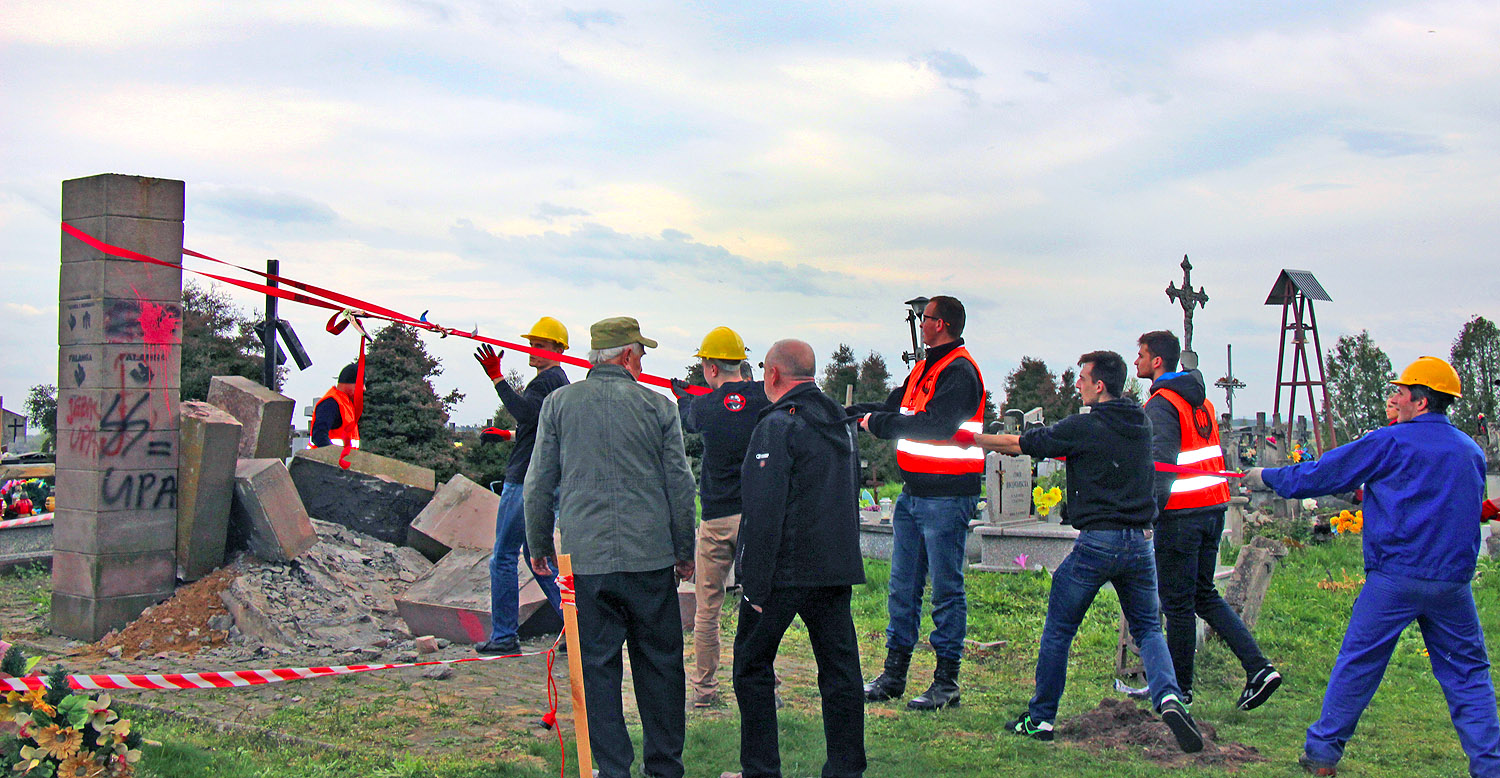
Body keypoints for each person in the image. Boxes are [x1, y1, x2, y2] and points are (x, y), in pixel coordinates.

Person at [1245, 356, 1499, 777]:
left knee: (1359, 664)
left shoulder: (1391, 441)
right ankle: (1489, 767)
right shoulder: (1469, 451)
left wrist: (1267, 477)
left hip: (1395, 578)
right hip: (1452, 584)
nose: (1393, 399)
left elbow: (1324, 473)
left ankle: (1323, 756)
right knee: (1469, 675)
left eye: (1400, 392)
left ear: (1420, 402)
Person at [970, 350, 1202, 753]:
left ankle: (1040, 718)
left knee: (1059, 630)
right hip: (1140, 542)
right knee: (1148, 628)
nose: (1077, 384)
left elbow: (1019, 442)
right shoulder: (1142, 423)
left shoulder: (1083, 426)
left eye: (1083, 378)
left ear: (1100, 385)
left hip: (1098, 542)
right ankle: (1169, 695)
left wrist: (972, 439)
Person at [525, 316, 696, 778]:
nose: (643, 362)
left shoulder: (559, 404)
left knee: (596, 672)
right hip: (650, 560)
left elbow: (539, 480)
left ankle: (612, 769)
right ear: (626, 355)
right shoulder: (658, 407)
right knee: (661, 668)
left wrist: (538, 541)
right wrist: (685, 550)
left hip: (586, 562)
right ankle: (664, 769)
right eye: (641, 353)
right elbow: (680, 484)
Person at [726, 339, 866, 778]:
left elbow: (764, 507)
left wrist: (755, 582)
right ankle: (846, 768)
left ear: (772, 375)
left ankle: (761, 769)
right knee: (840, 674)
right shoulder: (837, 422)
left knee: (751, 667)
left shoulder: (777, 425)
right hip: (833, 565)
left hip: (785, 569)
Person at [851, 295, 985, 711]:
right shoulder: (926, 368)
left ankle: (946, 682)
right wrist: (846, 413)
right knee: (902, 588)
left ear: (940, 324)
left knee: (945, 591)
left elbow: (935, 426)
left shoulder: (960, 372)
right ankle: (894, 675)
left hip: (947, 495)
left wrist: (879, 425)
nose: (919, 323)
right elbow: (893, 407)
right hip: (913, 495)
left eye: (924, 318)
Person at [1135, 330, 1280, 709]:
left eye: (1141, 355)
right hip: (1213, 508)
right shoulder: (1203, 403)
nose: (1136, 361)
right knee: (1203, 596)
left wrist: (1147, 513)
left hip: (1181, 515)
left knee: (1178, 605)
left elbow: (1162, 466)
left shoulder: (1162, 405)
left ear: (1157, 362)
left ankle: (1178, 692)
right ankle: (1259, 668)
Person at [669, 326, 772, 708]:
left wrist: (681, 396)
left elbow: (688, 418)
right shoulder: (762, 396)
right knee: (761, 604)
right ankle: (767, 685)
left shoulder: (705, 406)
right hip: (754, 515)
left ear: (711, 368)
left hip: (715, 518)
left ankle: (704, 690)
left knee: (707, 609)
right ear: (741, 363)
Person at [471, 317, 571, 655]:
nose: (533, 349)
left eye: (541, 345)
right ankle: (575, 627)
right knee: (537, 558)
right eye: (533, 343)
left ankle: (503, 637)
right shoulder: (561, 383)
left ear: (559, 349)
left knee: (502, 557)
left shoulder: (547, 380)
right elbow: (540, 430)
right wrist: (508, 435)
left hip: (525, 481)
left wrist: (497, 378)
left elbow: (526, 414)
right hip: (542, 479)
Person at [310, 362, 363, 449]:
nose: (364, 388)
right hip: (326, 460)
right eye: (361, 384)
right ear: (348, 383)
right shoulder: (331, 402)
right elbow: (319, 436)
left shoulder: (344, 403)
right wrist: (333, 457)